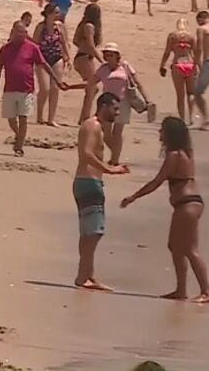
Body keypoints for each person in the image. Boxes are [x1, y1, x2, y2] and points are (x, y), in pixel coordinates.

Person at [121, 117, 209, 302]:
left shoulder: (174, 155)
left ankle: (206, 291)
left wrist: (134, 196)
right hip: (189, 203)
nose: (160, 132)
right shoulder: (186, 152)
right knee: (175, 246)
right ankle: (181, 290)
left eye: (162, 130)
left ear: (170, 134)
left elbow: (157, 181)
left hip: (186, 205)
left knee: (190, 249)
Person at [73, 93, 129, 291]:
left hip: (88, 182)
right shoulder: (93, 126)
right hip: (89, 182)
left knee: (88, 232)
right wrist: (110, 169)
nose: (117, 112)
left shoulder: (99, 127)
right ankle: (83, 276)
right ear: (104, 106)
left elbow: (106, 148)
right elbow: (86, 154)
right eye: (115, 108)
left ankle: (88, 275)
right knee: (94, 232)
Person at [0, 21, 65, 157]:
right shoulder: (5, 49)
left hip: (27, 89)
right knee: (10, 118)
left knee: (23, 118)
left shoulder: (32, 48)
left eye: (23, 33)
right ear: (12, 32)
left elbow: (44, 65)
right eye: (18, 32)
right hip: (9, 89)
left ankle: (19, 147)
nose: (21, 35)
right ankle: (19, 134)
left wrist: (56, 80)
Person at [74, 42, 150, 165]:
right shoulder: (103, 69)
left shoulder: (125, 66)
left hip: (123, 102)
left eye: (111, 55)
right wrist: (72, 87)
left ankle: (115, 160)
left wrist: (147, 100)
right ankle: (116, 153)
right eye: (107, 55)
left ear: (117, 56)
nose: (108, 57)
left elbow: (138, 83)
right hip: (108, 103)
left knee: (117, 132)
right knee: (106, 133)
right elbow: (91, 82)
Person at [33, 4, 71, 127]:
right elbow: (34, 44)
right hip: (42, 59)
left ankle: (51, 118)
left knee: (55, 88)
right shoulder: (40, 27)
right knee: (45, 88)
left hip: (57, 58)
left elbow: (64, 42)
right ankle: (40, 116)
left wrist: (67, 57)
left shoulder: (59, 26)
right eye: (56, 12)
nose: (58, 15)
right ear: (48, 13)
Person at [160, 18, 198, 123]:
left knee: (180, 95)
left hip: (177, 64)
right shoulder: (191, 36)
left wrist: (162, 65)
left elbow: (167, 52)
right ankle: (191, 117)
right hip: (189, 64)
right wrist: (198, 67)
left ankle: (182, 119)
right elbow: (196, 53)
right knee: (191, 93)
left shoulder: (172, 36)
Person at [74, 4, 104, 122]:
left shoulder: (83, 25)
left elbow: (75, 41)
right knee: (92, 87)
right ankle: (85, 117)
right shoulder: (89, 26)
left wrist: (83, 45)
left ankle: (84, 116)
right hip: (84, 57)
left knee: (92, 88)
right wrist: (101, 60)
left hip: (83, 57)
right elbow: (91, 46)